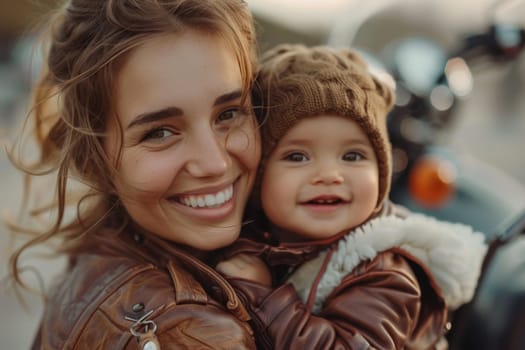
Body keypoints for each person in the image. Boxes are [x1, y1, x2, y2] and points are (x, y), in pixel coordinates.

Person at [7, 0, 263, 348]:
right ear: (94, 156)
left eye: (229, 113)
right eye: (159, 132)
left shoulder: (107, 252)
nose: (215, 163)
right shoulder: (185, 332)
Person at [216, 44, 488, 349]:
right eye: (297, 156)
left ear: (381, 170)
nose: (330, 174)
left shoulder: (384, 272)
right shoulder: (247, 236)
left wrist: (263, 297)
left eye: (353, 155)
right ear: (260, 174)